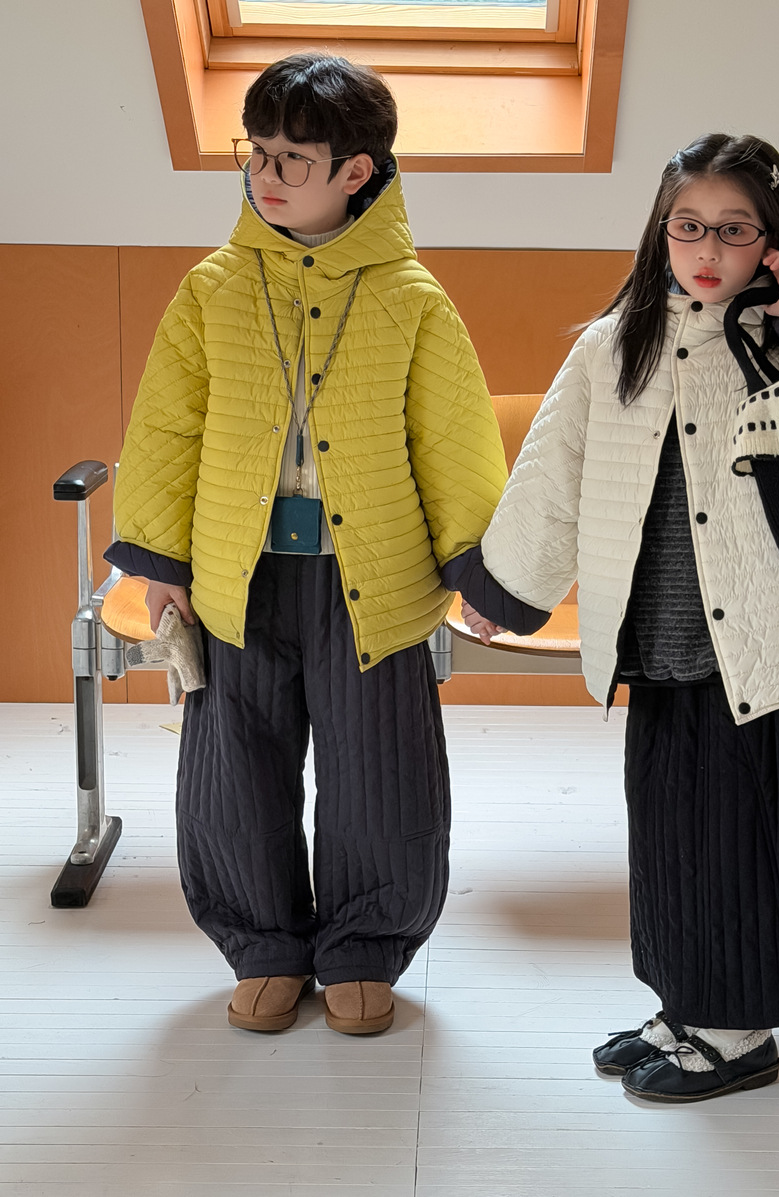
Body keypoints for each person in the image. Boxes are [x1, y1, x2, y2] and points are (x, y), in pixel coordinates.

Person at [454, 133, 779, 1102]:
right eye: (688, 226)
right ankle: (686, 1002)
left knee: (746, 831)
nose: (707, 250)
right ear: (660, 231)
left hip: (760, 636)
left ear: (772, 236)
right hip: (659, 634)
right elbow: (552, 473)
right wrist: (505, 586)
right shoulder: (616, 343)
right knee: (670, 826)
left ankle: (735, 1029)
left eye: (733, 229)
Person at [106, 52, 511, 1035]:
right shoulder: (210, 290)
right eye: (257, 152)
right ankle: (265, 944)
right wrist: (160, 565)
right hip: (234, 578)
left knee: (381, 773)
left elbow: (454, 442)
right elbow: (165, 430)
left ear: (356, 171)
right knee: (233, 772)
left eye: (293, 157)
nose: (267, 174)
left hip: (374, 581)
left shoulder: (413, 299)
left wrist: (481, 569)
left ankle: (365, 946)